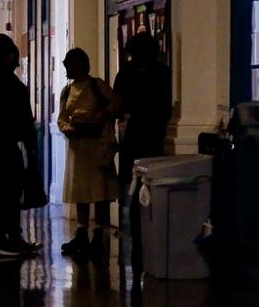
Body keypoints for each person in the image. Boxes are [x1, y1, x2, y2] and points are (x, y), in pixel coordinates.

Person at [0, 33, 39, 259]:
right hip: (4, 147)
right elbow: (24, 120)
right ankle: (6, 236)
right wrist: (31, 148)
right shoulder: (12, 85)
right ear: (6, 55)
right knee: (9, 192)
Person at [58, 47, 116, 258]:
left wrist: (101, 115)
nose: (68, 68)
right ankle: (82, 231)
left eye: (71, 64)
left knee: (99, 190)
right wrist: (68, 128)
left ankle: (98, 232)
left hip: (97, 145)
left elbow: (115, 105)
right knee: (80, 190)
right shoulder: (67, 91)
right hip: (78, 146)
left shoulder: (97, 86)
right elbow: (62, 117)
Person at [112, 31, 173, 180]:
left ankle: (130, 202)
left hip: (134, 129)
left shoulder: (126, 73)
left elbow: (117, 105)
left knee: (132, 175)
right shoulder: (164, 73)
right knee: (153, 174)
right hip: (157, 129)